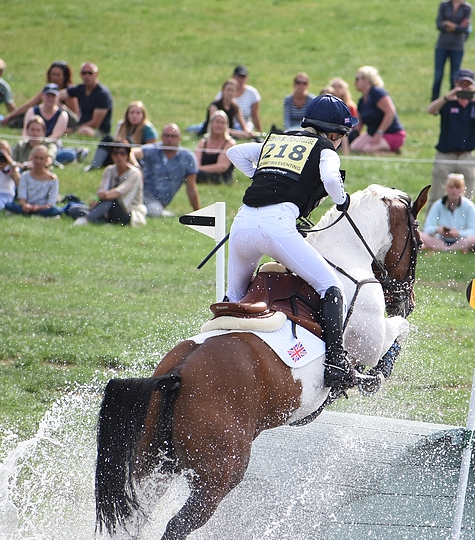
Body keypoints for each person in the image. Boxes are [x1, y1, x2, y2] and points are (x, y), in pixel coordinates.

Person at [226, 94, 361, 390]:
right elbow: (329, 177)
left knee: (234, 296)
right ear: (335, 133)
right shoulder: (326, 148)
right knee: (330, 286)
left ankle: (215, 344)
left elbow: (234, 152)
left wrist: (262, 176)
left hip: (241, 225)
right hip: (278, 228)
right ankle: (336, 362)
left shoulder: (277, 142)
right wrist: (342, 201)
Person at [426, 68, 475, 202]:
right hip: (445, 154)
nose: (464, 87)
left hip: (466, 155)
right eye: (461, 84)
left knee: (468, 195)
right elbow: (431, 110)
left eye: (467, 84)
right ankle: (432, 222)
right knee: (436, 194)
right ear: (456, 83)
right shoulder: (448, 103)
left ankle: (465, 222)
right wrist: (447, 97)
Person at [132, 124, 200, 217]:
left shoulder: (188, 158)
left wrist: (198, 212)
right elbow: (131, 153)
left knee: (155, 210)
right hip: (142, 194)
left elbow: (191, 188)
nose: (169, 139)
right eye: (167, 136)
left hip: (159, 202)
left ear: (179, 138)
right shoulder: (152, 149)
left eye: (173, 136)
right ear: (161, 137)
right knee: (154, 211)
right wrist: (137, 168)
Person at [74, 145, 146, 227]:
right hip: (107, 206)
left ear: (128, 156)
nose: (119, 156)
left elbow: (119, 192)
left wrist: (101, 197)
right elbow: (102, 189)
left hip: (128, 211)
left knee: (110, 201)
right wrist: (97, 198)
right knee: (74, 209)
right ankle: (99, 221)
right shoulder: (109, 170)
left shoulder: (135, 173)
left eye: (122, 153)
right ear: (112, 156)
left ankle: (87, 219)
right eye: (116, 153)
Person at [1, 61, 79, 127]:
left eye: (58, 75)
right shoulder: (47, 90)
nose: (55, 78)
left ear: (65, 77)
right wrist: (8, 118)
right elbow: (30, 105)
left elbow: (74, 118)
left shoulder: (69, 93)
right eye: (53, 74)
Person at [84, 101, 158, 170]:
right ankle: (95, 165)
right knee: (108, 139)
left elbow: (150, 150)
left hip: (136, 159)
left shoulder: (148, 128)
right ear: (127, 114)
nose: (134, 116)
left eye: (138, 113)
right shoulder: (121, 125)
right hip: (117, 155)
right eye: (132, 113)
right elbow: (116, 142)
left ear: (143, 115)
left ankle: (134, 167)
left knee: (127, 141)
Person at [431, 0, 472, 101]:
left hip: (457, 46)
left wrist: (450, 25)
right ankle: (434, 101)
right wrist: (456, 26)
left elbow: (465, 28)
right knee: (438, 75)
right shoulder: (444, 5)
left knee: (454, 77)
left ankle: (452, 101)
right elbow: (439, 24)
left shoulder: (467, 8)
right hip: (442, 44)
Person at [420, 174, 475, 254]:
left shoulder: (469, 206)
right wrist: (438, 229)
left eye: (457, 188)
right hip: (440, 239)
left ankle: (445, 249)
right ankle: (450, 249)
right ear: (446, 189)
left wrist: (458, 233)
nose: (454, 191)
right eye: (451, 188)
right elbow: (427, 227)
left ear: (462, 189)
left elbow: (473, 230)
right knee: (420, 235)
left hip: (460, 239)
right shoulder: (438, 205)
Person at [351, 66, 405, 154]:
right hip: (372, 133)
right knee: (354, 148)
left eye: (357, 79)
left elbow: (390, 112)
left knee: (367, 150)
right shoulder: (362, 100)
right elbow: (359, 123)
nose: (355, 82)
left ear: (366, 80)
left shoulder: (377, 93)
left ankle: (393, 153)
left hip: (391, 133)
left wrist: (379, 132)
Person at [4, 146, 61, 217]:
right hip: (27, 206)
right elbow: (22, 198)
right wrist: (25, 205)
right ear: (31, 158)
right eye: (36, 158)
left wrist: (38, 207)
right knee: (8, 205)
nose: (38, 161)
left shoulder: (52, 178)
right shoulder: (25, 176)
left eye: (41, 158)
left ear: (46, 160)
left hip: (43, 208)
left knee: (56, 210)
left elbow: (51, 203)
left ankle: (30, 213)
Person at [61, 62, 113, 137]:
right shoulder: (81, 88)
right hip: (80, 124)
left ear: (96, 74)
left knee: (84, 131)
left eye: (90, 73)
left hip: (98, 131)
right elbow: (60, 95)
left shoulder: (103, 94)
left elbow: (95, 123)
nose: (87, 76)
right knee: (53, 102)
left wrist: (73, 130)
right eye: (84, 73)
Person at [195, 110, 236, 184]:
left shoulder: (229, 143)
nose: (219, 125)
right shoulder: (203, 142)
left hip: (221, 178)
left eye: (223, 123)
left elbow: (221, 167)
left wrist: (198, 170)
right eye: (217, 122)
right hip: (202, 174)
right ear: (211, 123)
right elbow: (196, 162)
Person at [220, 65, 261, 133]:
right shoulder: (219, 102)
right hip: (225, 125)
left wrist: (259, 132)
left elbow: (255, 115)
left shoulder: (251, 93)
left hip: (241, 125)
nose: (240, 80)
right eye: (238, 77)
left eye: (243, 77)